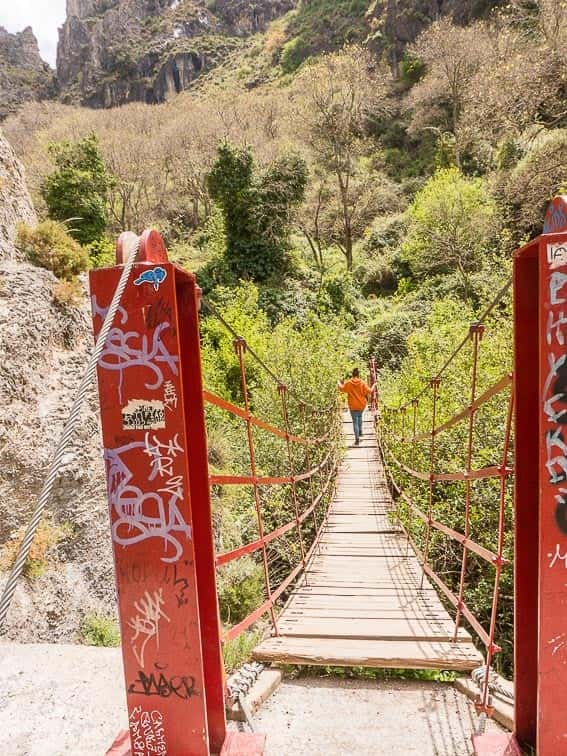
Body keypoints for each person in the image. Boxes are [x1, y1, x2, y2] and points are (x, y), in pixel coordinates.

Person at [338, 368, 376, 445]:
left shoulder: (349, 383)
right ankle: (360, 431)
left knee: (355, 421)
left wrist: (338, 382)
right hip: (361, 405)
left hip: (352, 405)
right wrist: (374, 385)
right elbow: (370, 391)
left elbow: (341, 389)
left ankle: (357, 438)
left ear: (352, 374)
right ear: (358, 375)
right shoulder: (362, 383)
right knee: (360, 416)